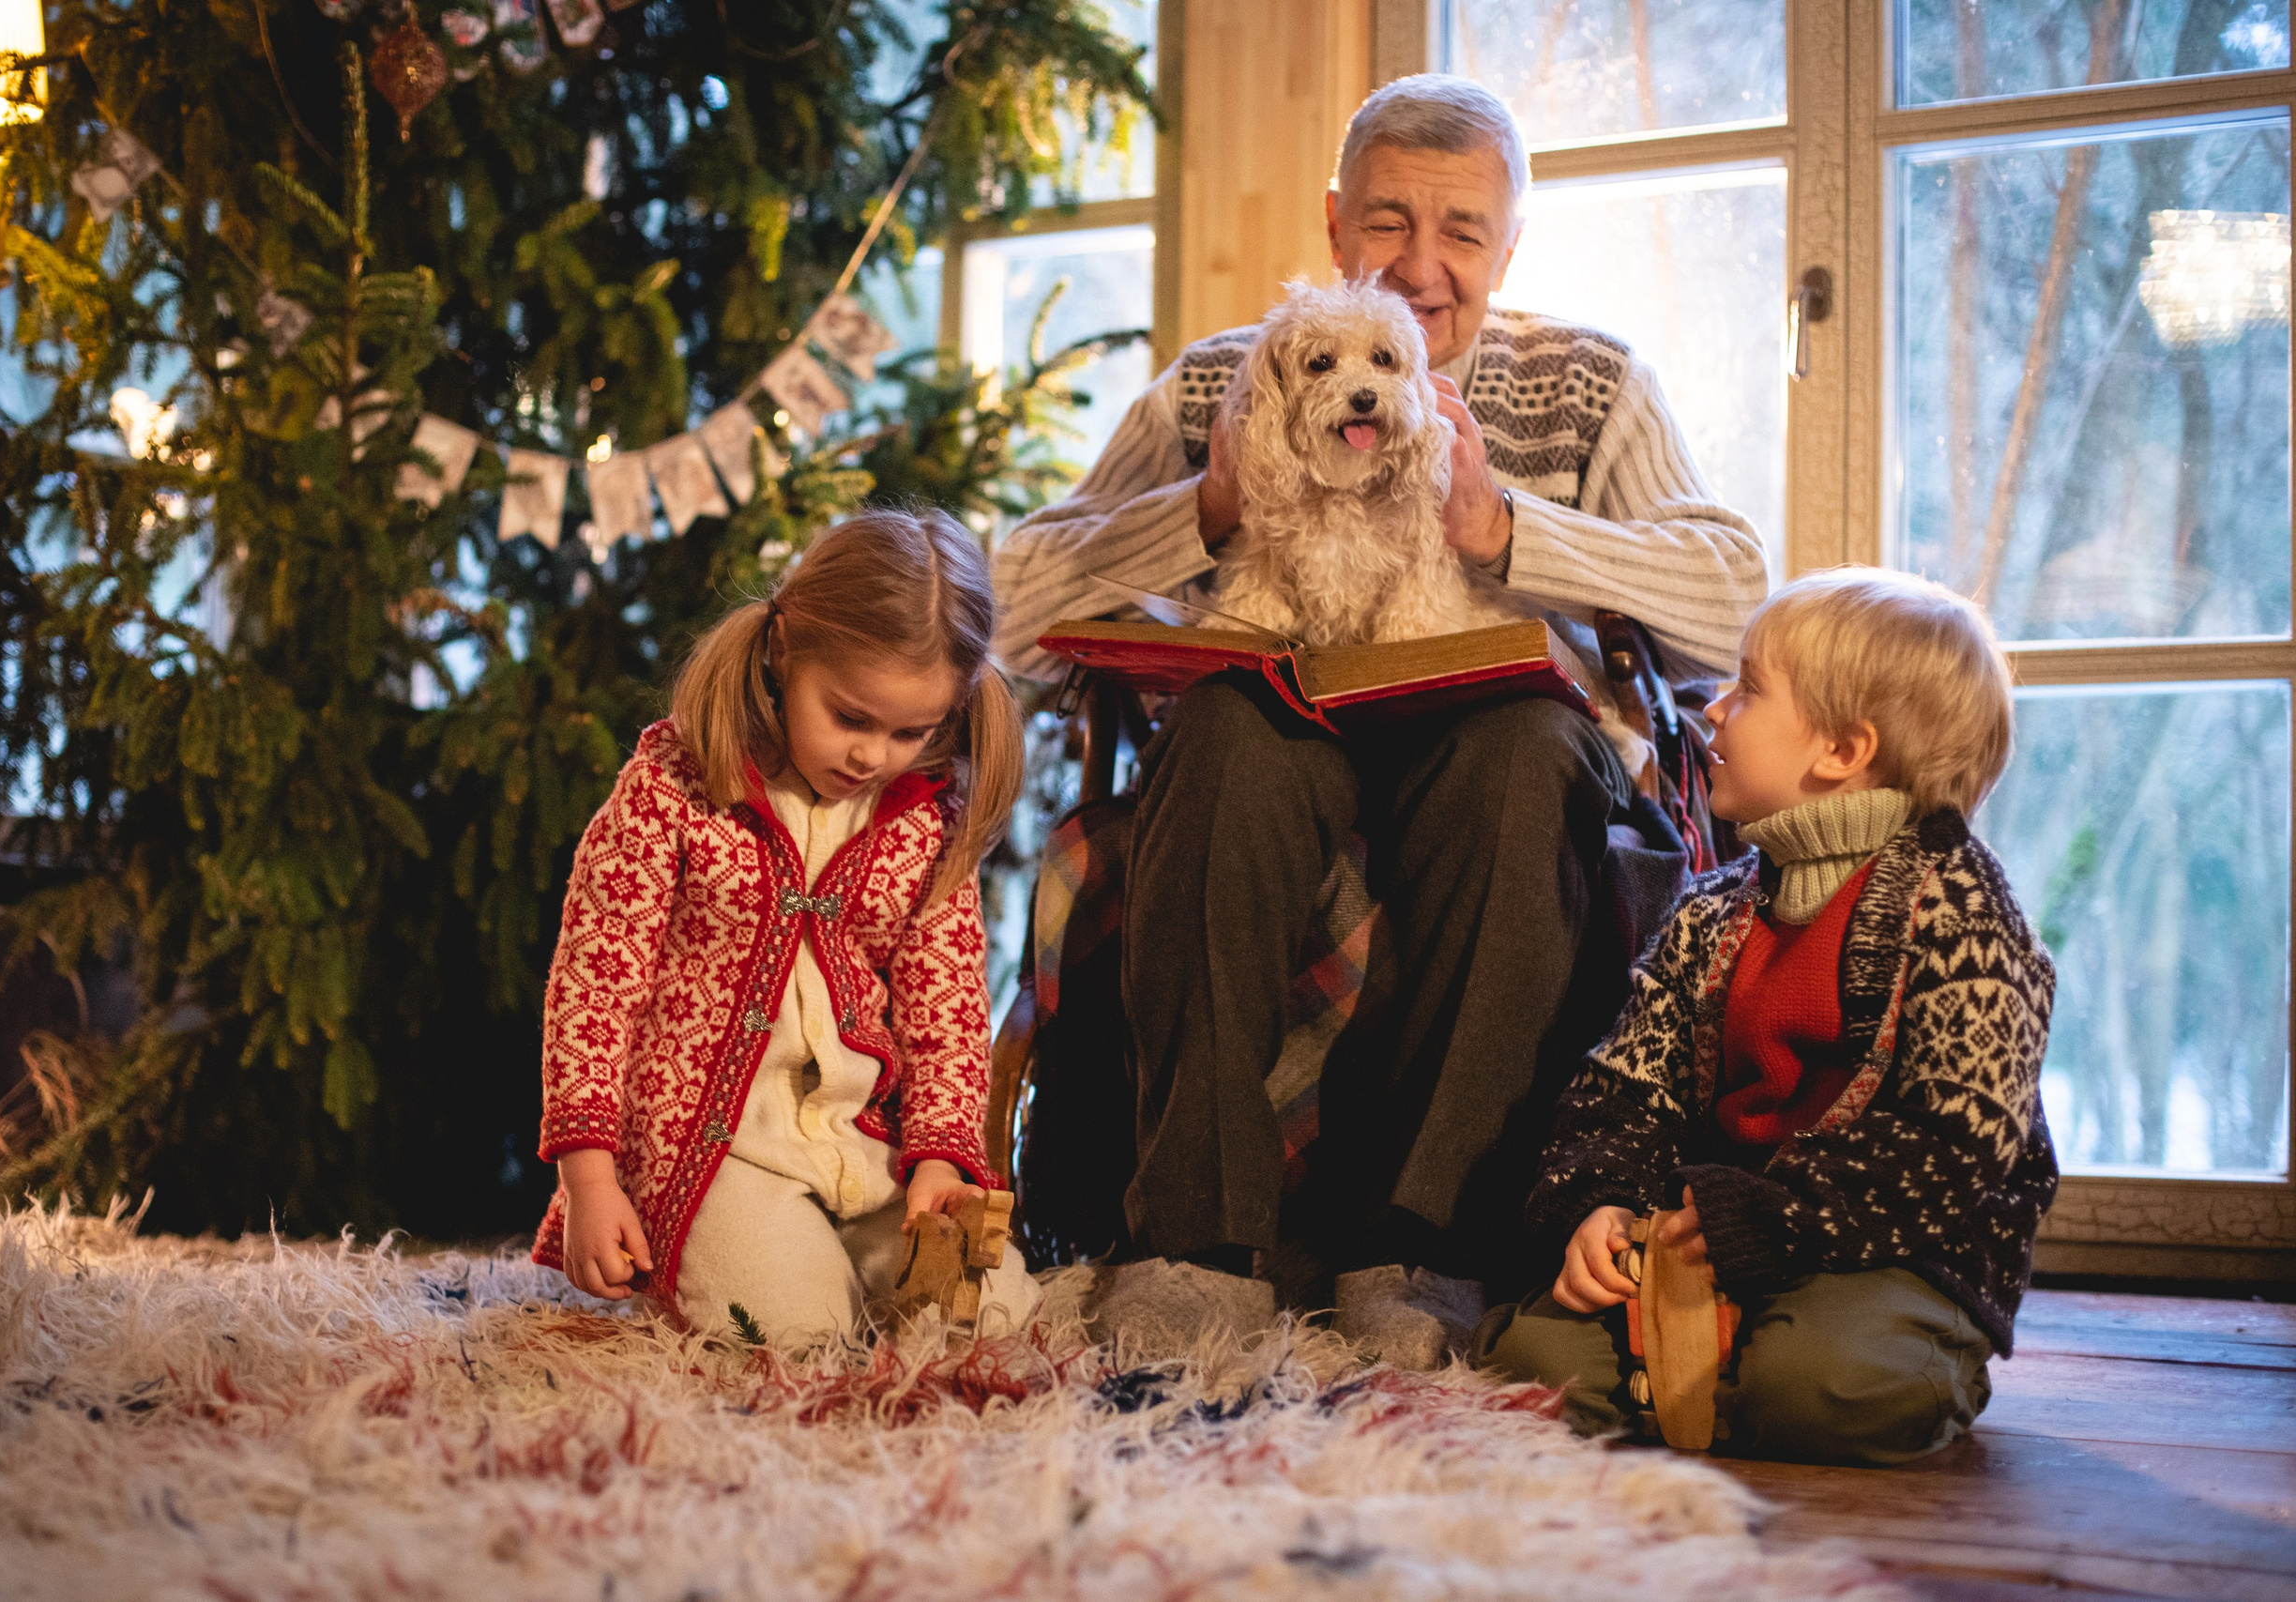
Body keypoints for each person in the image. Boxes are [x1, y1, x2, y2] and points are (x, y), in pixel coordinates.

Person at [990, 74, 1767, 1335]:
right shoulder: (1222, 384)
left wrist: (1507, 528)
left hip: (1499, 736)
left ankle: (1418, 1249)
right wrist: (1202, 512)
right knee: (1226, 748)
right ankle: (1197, 1246)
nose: (1420, 264)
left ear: (1509, 245)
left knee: (1521, 763)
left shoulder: (1589, 383)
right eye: (1390, 222)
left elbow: (1738, 601)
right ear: (1335, 218)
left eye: (1462, 231)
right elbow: (1011, 596)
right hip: (1280, 719)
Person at [1480, 568, 2059, 1466]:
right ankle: (1710, 1369)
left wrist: (1780, 1214)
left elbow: (1957, 1141)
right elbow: (1621, 1085)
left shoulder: (1964, 912)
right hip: (1707, 1235)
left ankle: (1785, 1370)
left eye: (1748, 688)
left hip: (1891, 1252)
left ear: (1842, 749)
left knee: (1824, 1381)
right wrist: (1599, 1204)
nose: (1712, 709)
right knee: (1529, 1360)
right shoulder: (1712, 913)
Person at [530, 508, 1038, 1347]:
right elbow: (595, 983)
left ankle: (850, 1253)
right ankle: (750, 1267)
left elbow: (944, 1012)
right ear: (782, 652)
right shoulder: (672, 786)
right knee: (799, 1335)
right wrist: (590, 1178)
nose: (874, 756)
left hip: (862, 1147)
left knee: (994, 1319)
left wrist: (940, 1159)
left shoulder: (925, 821)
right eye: (849, 717)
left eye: (912, 731)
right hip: (713, 1151)